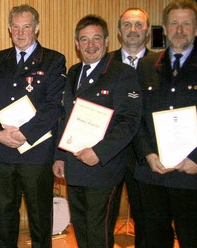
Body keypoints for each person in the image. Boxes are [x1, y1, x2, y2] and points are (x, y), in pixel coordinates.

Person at [134, 1, 197, 247]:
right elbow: (137, 117)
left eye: (186, 24)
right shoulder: (146, 66)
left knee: (190, 239)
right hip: (153, 174)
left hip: (192, 176)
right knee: (154, 239)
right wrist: (148, 154)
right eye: (174, 23)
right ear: (164, 28)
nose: (179, 29)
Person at [52, 15, 141, 248]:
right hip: (74, 165)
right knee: (80, 227)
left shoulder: (122, 73)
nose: (90, 45)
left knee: (98, 230)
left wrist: (99, 152)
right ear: (77, 44)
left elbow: (129, 121)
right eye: (84, 39)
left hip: (103, 167)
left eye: (96, 38)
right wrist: (60, 156)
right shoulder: (72, 72)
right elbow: (65, 117)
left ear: (107, 41)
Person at [0, 4, 66, 248]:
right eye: (15, 27)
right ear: (9, 29)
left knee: (40, 217)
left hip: (35, 151)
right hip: (1, 152)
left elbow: (54, 105)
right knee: (4, 216)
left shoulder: (54, 60)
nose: (20, 32)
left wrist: (25, 133)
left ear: (37, 28)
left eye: (26, 27)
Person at [109, 7, 153, 248]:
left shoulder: (160, 65)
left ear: (147, 29)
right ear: (118, 31)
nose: (133, 30)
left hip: (146, 155)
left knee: (146, 217)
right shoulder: (104, 63)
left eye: (138, 25)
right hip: (110, 153)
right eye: (127, 25)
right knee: (104, 214)